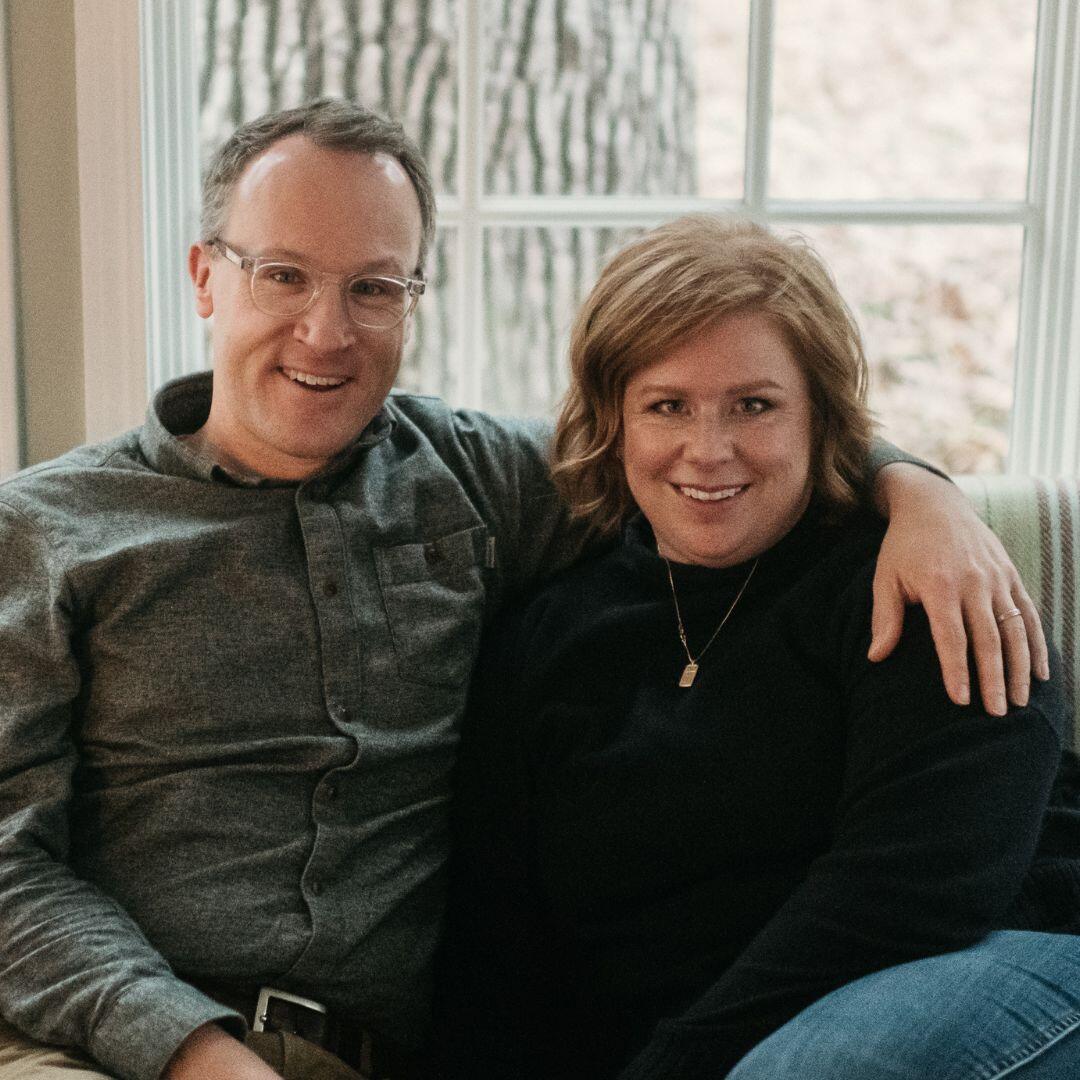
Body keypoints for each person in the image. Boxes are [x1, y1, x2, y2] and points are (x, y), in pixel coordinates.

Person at [0, 99, 1049, 1080]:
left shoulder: (479, 483)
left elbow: (712, 437)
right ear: (203, 278)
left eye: (374, 285)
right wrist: (188, 1047)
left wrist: (921, 491)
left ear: (412, 298)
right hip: (117, 1043)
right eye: (283, 275)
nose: (328, 332)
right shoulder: (47, 531)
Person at [436, 215, 1080, 1079]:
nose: (711, 450)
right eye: (668, 406)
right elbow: (496, 947)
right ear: (614, 420)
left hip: (991, 961)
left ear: (820, 415)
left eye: (755, 405)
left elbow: (920, 886)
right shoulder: (549, 636)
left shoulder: (917, 579)